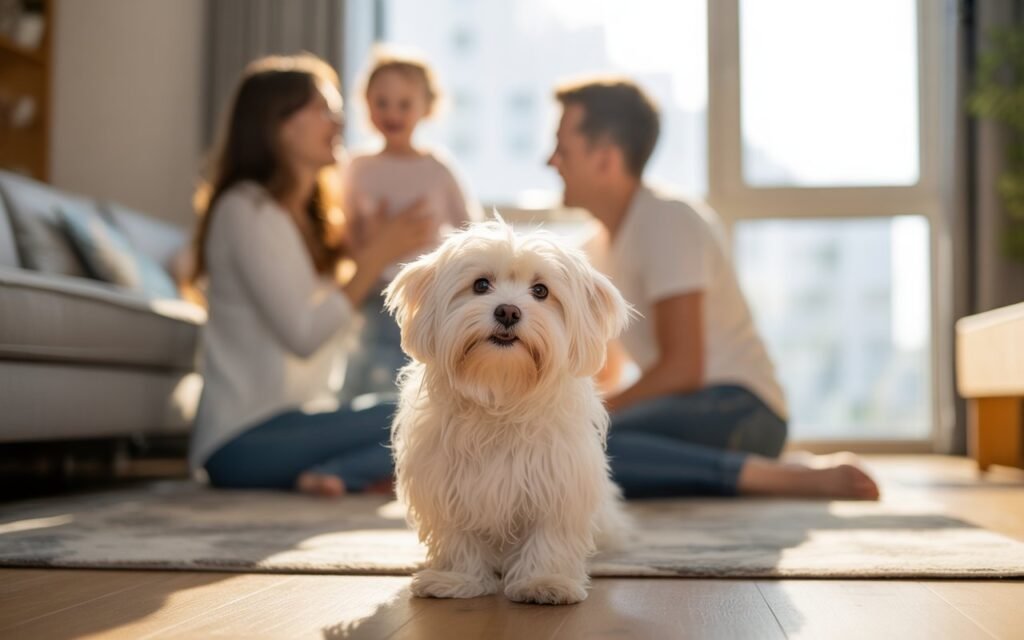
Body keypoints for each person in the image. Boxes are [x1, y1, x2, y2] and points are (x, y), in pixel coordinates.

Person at [547, 77, 879, 500]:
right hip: (690, 411)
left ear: (606, 160)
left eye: (562, 149)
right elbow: (604, 371)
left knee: (592, 443)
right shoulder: (591, 249)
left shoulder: (668, 220)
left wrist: (589, 417)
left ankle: (789, 479)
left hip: (741, 409)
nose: (550, 161)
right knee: (569, 445)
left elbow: (685, 368)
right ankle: (757, 469)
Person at [187, 54, 438, 497]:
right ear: (279, 124)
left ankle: (337, 472)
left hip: (299, 423)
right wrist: (376, 256)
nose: (338, 120)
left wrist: (373, 253)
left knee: (434, 409)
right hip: (240, 441)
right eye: (323, 108)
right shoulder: (245, 210)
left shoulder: (308, 217)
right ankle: (349, 471)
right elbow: (303, 335)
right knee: (437, 410)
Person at [339, 48, 482, 402]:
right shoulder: (356, 168)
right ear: (366, 104)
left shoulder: (436, 168)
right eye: (382, 102)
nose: (392, 113)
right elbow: (343, 237)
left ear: (427, 107)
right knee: (366, 373)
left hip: (427, 297)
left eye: (404, 104)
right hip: (373, 296)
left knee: (422, 379)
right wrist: (371, 243)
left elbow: (471, 233)